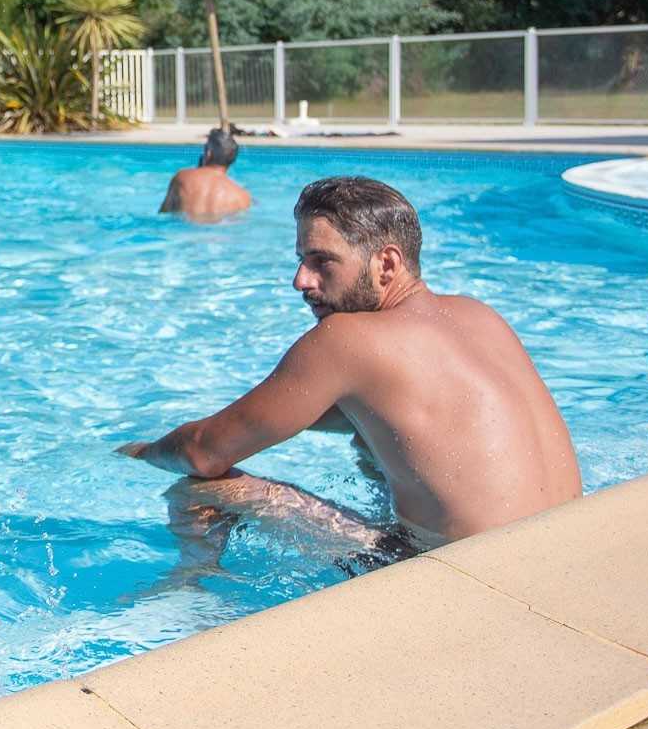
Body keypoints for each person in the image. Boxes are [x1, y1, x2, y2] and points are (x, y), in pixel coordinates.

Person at [121, 175, 580, 555]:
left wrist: (137, 452)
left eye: (322, 262)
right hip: (565, 544)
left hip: (466, 576)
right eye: (302, 260)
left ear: (387, 264)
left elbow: (203, 451)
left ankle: (193, 603)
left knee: (200, 487)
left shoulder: (346, 340)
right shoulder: (479, 315)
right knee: (367, 435)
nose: (300, 280)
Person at [159, 126, 252, 221]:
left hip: (184, 232)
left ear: (208, 153)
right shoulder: (243, 197)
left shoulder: (183, 176)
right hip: (217, 234)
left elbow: (164, 213)